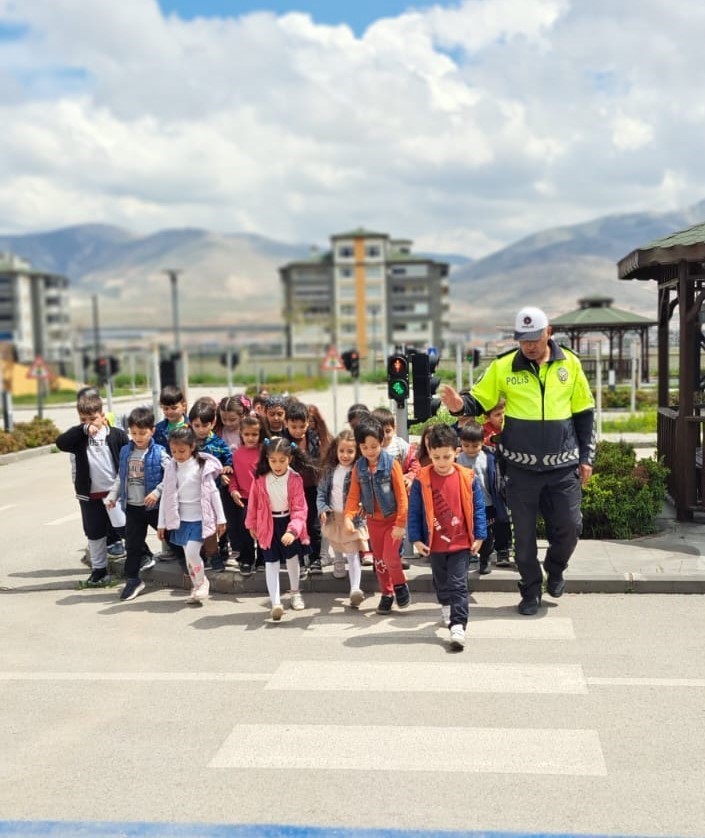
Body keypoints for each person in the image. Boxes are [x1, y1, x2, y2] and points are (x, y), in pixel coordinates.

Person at [440, 305, 595, 615]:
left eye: (535, 338)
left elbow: (584, 413)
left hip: (563, 467)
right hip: (520, 469)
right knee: (523, 538)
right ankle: (530, 590)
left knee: (569, 527)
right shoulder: (504, 366)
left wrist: (586, 456)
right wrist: (459, 405)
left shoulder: (571, 365)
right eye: (524, 339)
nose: (529, 345)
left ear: (549, 332)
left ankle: (556, 566)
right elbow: (478, 398)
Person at [408, 423, 487, 650]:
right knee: (441, 582)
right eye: (436, 457)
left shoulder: (467, 477)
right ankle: (445, 606)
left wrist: (480, 535)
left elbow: (478, 508)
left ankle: (458, 625)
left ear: (456, 452)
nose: (442, 462)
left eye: (447, 456)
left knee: (458, 584)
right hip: (435, 544)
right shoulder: (422, 479)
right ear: (429, 452)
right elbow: (414, 511)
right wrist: (415, 538)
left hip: (461, 542)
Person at [55, 391, 128, 586]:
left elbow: (128, 456)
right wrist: (82, 429)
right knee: (94, 532)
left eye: (93, 418)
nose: (90, 423)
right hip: (90, 495)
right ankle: (99, 570)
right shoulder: (79, 438)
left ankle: (140, 557)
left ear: (103, 416)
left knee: (124, 528)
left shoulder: (115, 435)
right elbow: (60, 443)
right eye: (83, 419)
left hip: (114, 493)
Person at [343, 417, 409, 614]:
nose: (369, 451)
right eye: (364, 447)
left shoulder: (391, 464)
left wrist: (400, 524)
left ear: (381, 442)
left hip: (393, 520)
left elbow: (402, 497)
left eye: (373, 446)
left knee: (390, 557)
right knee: (379, 561)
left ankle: (399, 585)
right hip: (373, 521)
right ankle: (386, 594)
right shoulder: (359, 467)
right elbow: (354, 495)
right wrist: (348, 517)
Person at [106, 406, 170, 601]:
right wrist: (113, 495)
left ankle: (192, 570)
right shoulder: (126, 451)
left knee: (173, 539)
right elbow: (121, 476)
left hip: (154, 508)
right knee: (133, 545)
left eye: (142, 432)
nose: (138, 437)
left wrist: (157, 492)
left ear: (152, 430)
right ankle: (133, 580)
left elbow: (172, 476)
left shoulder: (159, 452)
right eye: (134, 433)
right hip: (133, 507)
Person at [157, 426, 226, 605]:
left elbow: (213, 493)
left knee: (193, 552)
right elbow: (166, 496)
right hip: (181, 520)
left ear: (192, 447)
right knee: (189, 556)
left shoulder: (201, 467)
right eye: (174, 451)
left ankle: (202, 582)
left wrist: (221, 518)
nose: (178, 455)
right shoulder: (171, 468)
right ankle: (196, 586)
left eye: (182, 451)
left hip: (200, 519)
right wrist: (161, 523)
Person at [245, 436, 310, 621]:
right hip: (268, 523)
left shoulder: (295, 479)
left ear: (290, 458)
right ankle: (275, 602)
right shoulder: (260, 479)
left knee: (292, 559)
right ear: (267, 459)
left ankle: (295, 592)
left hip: (288, 523)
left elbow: (300, 508)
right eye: (273, 460)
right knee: (270, 562)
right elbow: (253, 503)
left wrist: (293, 530)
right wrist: (252, 524)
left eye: (282, 460)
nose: (277, 465)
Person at [316, 429, 368, 608]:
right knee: (336, 545)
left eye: (350, 451)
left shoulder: (359, 470)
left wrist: (364, 505)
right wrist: (322, 508)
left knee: (353, 553)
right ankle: (338, 565)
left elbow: (366, 492)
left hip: (351, 517)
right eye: (342, 451)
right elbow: (322, 492)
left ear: (356, 452)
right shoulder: (330, 471)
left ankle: (355, 588)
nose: (345, 455)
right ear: (336, 451)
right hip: (333, 516)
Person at [188, 397, 233, 571]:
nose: (200, 430)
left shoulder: (218, 443)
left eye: (204, 425)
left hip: (215, 490)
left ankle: (219, 551)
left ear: (213, 423)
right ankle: (204, 554)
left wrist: (226, 469)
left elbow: (227, 459)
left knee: (218, 521)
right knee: (199, 523)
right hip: (193, 491)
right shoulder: (188, 442)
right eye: (196, 425)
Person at [456, 421, 503, 575]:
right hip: (465, 503)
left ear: (482, 443)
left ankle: (485, 558)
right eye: (466, 445)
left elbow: (495, 479)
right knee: (467, 532)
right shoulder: (458, 459)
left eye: (474, 446)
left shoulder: (489, 458)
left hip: (487, 503)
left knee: (486, 534)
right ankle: (469, 557)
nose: (470, 449)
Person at [282, 399, 322, 574]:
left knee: (313, 526)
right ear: (287, 423)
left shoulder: (314, 438)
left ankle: (315, 559)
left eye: (302, 426)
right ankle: (297, 560)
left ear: (308, 422)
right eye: (294, 426)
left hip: (311, 488)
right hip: (290, 491)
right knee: (294, 525)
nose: (298, 430)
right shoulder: (282, 441)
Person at [228, 414, 266, 576]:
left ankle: (263, 559)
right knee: (245, 530)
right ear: (241, 434)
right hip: (244, 499)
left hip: (263, 498)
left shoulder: (264, 452)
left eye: (254, 434)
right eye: (247, 434)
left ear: (260, 434)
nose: (250, 438)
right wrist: (233, 490)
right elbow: (233, 476)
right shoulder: (237, 454)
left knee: (263, 529)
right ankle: (246, 560)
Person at [480, 398, 513, 566]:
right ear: (487, 417)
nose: (501, 417)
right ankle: (498, 551)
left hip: (511, 477)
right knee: (498, 515)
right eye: (497, 414)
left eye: (504, 413)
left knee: (509, 516)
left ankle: (506, 549)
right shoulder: (484, 432)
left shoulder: (513, 428)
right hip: (492, 480)